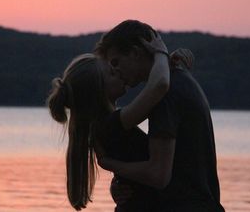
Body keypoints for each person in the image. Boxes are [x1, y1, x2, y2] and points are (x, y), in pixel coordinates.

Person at [47, 31, 191, 211]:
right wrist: (160, 53)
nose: (117, 70)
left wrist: (118, 172)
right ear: (98, 92)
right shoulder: (112, 125)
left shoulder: (105, 127)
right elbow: (159, 85)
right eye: (110, 71)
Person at [95, 20, 225, 212]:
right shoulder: (179, 79)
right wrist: (120, 182)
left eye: (116, 61)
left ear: (135, 52)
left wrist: (113, 165)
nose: (116, 70)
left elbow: (157, 174)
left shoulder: (164, 95)